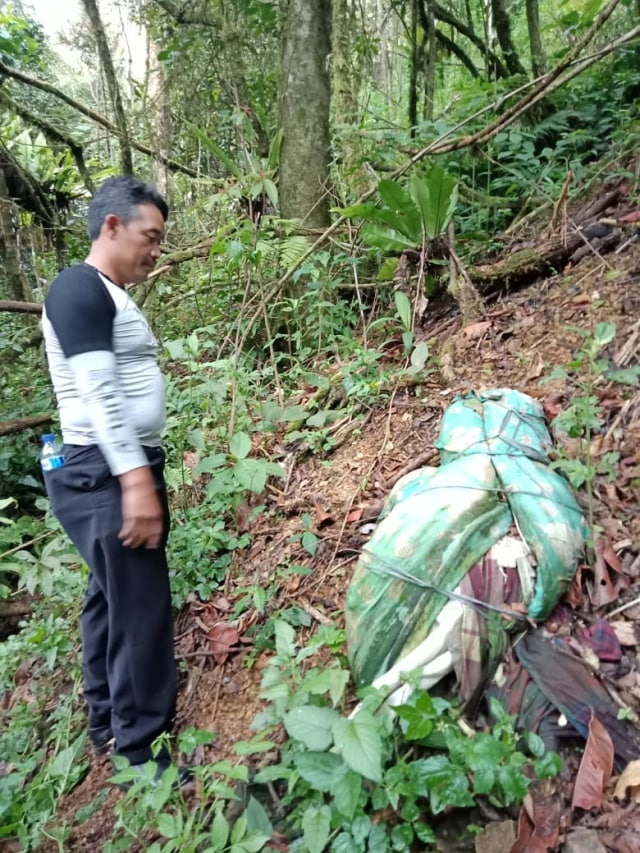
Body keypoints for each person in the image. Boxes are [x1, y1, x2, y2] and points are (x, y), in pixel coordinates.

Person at [41, 175, 184, 783]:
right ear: (112, 226)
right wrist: (134, 481)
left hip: (108, 468)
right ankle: (142, 752)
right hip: (105, 470)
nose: (157, 250)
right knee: (141, 607)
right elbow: (98, 391)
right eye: (150, 236)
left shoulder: (105, 293)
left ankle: (106, 719)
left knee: (111, 596)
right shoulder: (78, 287)